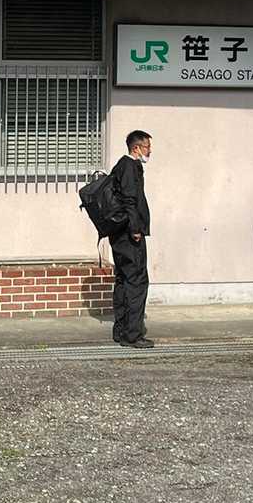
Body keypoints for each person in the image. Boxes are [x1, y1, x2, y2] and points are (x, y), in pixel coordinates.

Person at [109, 130, 153, 348]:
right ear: (136, 148)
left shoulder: (123, 166)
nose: (150, 151)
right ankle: (133, 335)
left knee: (124, 280)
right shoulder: (128, 166)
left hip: (120, 233)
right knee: (136, 281)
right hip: (129, 234)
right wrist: (135, 228)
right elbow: (129, 199)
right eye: (147, 147)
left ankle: (121, 330)